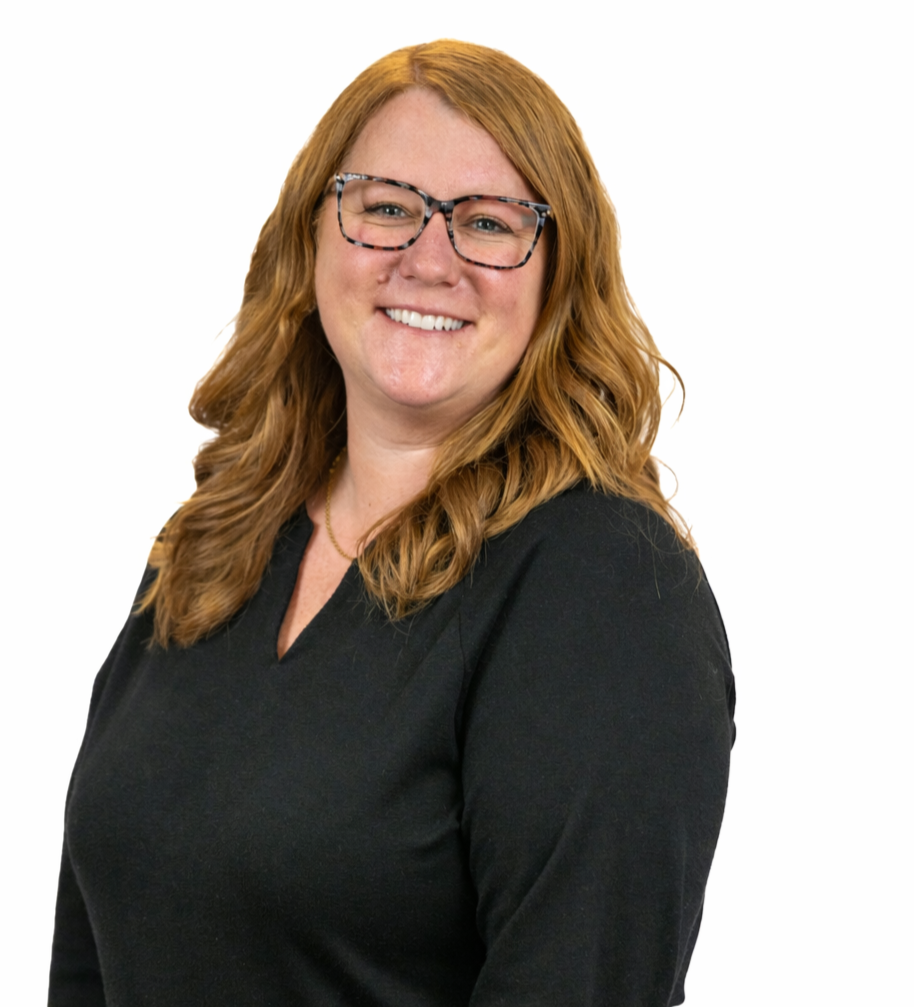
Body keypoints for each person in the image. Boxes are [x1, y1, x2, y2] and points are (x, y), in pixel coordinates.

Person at [48, 39, 736, 1007]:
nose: (428, 259)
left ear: (557, 277)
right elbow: (90, 952)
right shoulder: (212, 546)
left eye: (488, 223)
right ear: (311, 240)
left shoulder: (604, 588)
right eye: (384, 207)